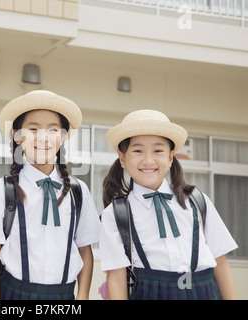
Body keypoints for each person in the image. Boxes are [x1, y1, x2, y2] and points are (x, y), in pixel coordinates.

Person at [99, 109, 238, 300]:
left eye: (158, 150)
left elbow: (220, 263)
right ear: (122, 158)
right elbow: (116, 277)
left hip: (204, 292)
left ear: (171, 157)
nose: (148, 160)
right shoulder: (115, 213)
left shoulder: (197, 201)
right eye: (138, 150)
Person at [0, 90, 100, 300]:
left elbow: (84, 250)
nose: (43, 137)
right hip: (14, 295)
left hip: (64, 296)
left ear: (63, 137)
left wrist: (82, 297)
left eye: (53, 130)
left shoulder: (78, 191)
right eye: (33, 129)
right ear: (17, 136)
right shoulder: (1, 189)